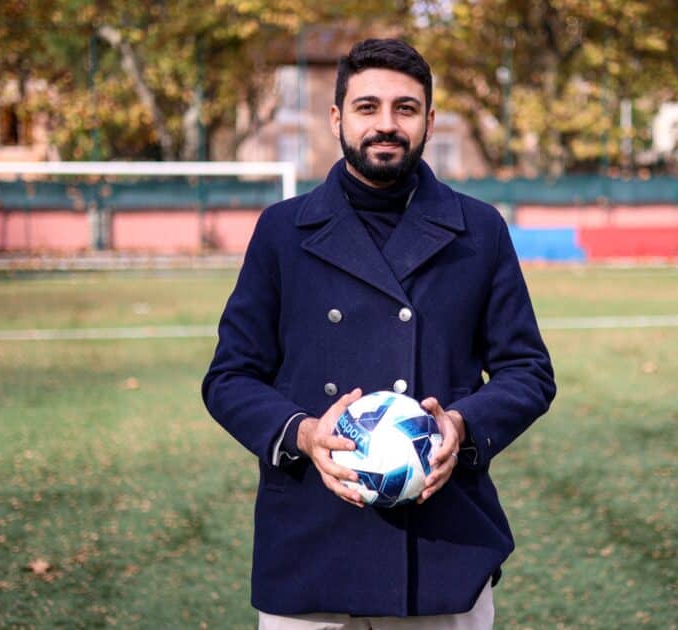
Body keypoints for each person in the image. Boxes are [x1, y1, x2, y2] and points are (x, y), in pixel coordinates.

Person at [202, 38, 555, 628]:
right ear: (336, 118)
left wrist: (461, 425)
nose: (386, 124)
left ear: (429, 121)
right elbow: (230, 377)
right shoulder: (282, 231)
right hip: (310, 545)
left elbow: (528, 372)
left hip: (440, 549)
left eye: (405, 108)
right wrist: (305, 434)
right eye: (367, 107)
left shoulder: (479, 230)